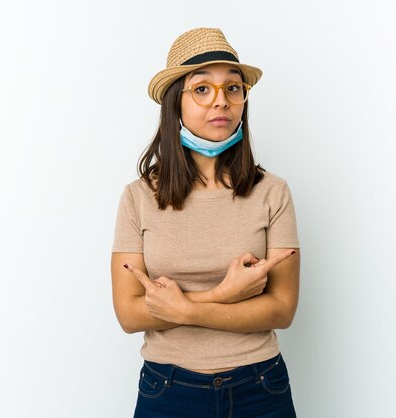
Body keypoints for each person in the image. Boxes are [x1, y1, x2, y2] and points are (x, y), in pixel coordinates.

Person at [111, 28, 301, 418]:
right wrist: (225, 293)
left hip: (260, 387)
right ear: (174, 102)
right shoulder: (138, 197)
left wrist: (185, 309)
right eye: (202, 89)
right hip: (167, 389)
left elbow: (282, 309)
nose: (222, 101)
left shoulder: (272, 192)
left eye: (233, 89)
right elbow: (129, 315)